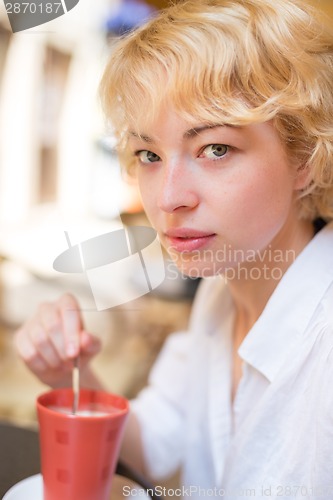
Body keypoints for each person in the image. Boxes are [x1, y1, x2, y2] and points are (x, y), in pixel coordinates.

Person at [15, 0, 333, 497]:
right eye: (149, 155)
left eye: (216, 149)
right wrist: (72, 371)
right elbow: (154, 445)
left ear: (305, 158)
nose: (167, 199)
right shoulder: (220, 294)